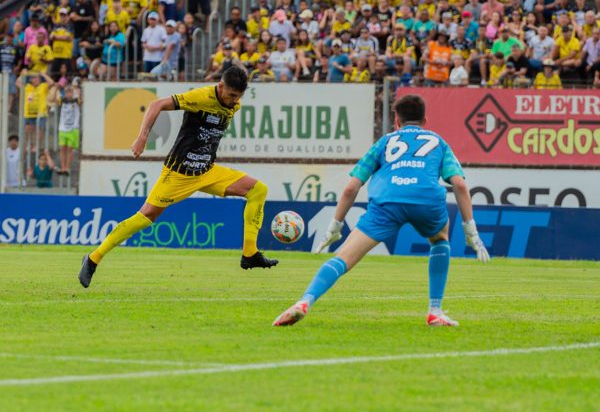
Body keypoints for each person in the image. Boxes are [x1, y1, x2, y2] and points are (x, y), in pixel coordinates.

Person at [273, 94, 489, 328]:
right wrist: (471, 231)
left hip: (387, 202)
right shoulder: (438, 142)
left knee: (344, 257)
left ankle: (304, 301)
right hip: (426, 201)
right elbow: (459, 185)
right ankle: (435, 310)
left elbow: (351, 188)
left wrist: (335, 226)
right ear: (425, 120)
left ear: (396, 120)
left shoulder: (384, 142)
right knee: (439, 239)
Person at [78, 67, 278, 288]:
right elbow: (157, 105)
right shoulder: (200, 97)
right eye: (231, 95)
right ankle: (93, 258)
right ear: (220, 86)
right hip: (178, 173)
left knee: (258, 190)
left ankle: (249, 254)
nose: (234, 101)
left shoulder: (233, 105)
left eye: (238, 96)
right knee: (146, 216)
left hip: (206, 171)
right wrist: (142, 137)